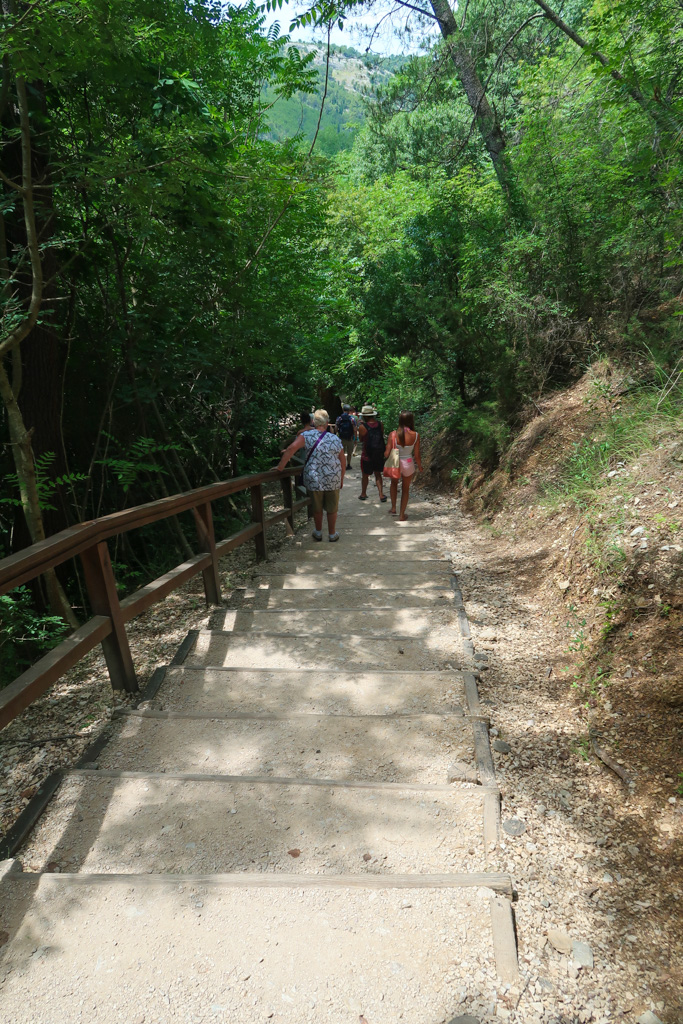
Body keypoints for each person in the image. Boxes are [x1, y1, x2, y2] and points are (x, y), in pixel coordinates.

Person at [277, 409, 345, 541]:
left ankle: (318, 532)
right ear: (327, 423)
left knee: (317, 507)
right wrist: (341, 478)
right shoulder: (335, 438)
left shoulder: (306, 436)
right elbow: (342, 461)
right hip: (333, 478)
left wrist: (280, 467)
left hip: (314, 478)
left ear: (314, 422)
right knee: (332, 508)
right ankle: (332, 534)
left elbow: (291, 448)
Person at [384, 410, 422, 520]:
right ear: (411, 421)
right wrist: (420, 466)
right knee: (405, 489)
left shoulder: (393, 434)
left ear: (400, 421)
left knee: (394, 484)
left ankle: (393, 508)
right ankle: (402, 515)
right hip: (408, 463)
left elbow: (386, 453)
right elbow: (417, 455)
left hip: (396, 463)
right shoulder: (416, 435)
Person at [358, 404, 387, 503]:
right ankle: (381, 494)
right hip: (378, 453)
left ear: (364, 416)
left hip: (367, 454)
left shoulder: (362, 427)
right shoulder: (380, 424)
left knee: (365, 475)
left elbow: (361, 439)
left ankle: (363, 493)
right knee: (378, 474)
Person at [336, 404, 356, 469]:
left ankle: (342, 465)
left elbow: (336, 427)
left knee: (342, 452)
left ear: (343, 409)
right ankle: (348, 464)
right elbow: (355, 429)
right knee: (349, 453)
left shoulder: (339, 418)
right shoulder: (352, 419)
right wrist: (355, 438)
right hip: (350, 438)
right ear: (349, 410)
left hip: (341, 438)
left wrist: (337, 434)